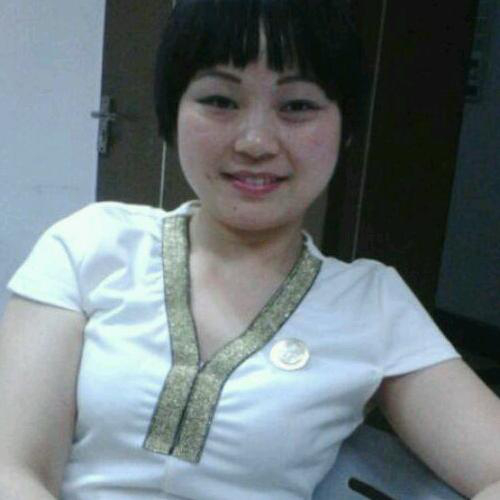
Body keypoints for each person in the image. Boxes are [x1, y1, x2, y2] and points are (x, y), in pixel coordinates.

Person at [0, 1, 499, 499]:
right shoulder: (91, 245)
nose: (256, 142)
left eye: (297, 106)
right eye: (220, 100)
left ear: (345, 127)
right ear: (172, 113)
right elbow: (14, 468)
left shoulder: (374, 305)